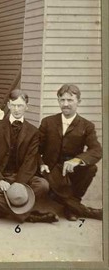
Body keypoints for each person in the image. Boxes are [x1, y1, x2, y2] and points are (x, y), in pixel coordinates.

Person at [0, 89, 58, 223]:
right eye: (14, 105)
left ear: (26, 107)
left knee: (43, 185)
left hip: (22, 177)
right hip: (1, 175)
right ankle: (30, 216)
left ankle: (3, 212)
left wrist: (19, 185)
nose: (16, 109)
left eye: (20, 105)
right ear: (9, 105)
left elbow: (30, 160)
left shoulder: (33, 131)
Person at [39, 84, 102, 221]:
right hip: (51, 169)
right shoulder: (48, 122)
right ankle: (84, 211)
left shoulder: (87, 125)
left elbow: (96, 150)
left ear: (79, 101)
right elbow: (35, 148)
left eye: (70, 100)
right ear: (58, 101)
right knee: (52, 191)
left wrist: (77, 160)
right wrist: (41, 163)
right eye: (62, 100)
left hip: (72, 170)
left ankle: (71, 205)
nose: (65, 104)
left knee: (91, 168)